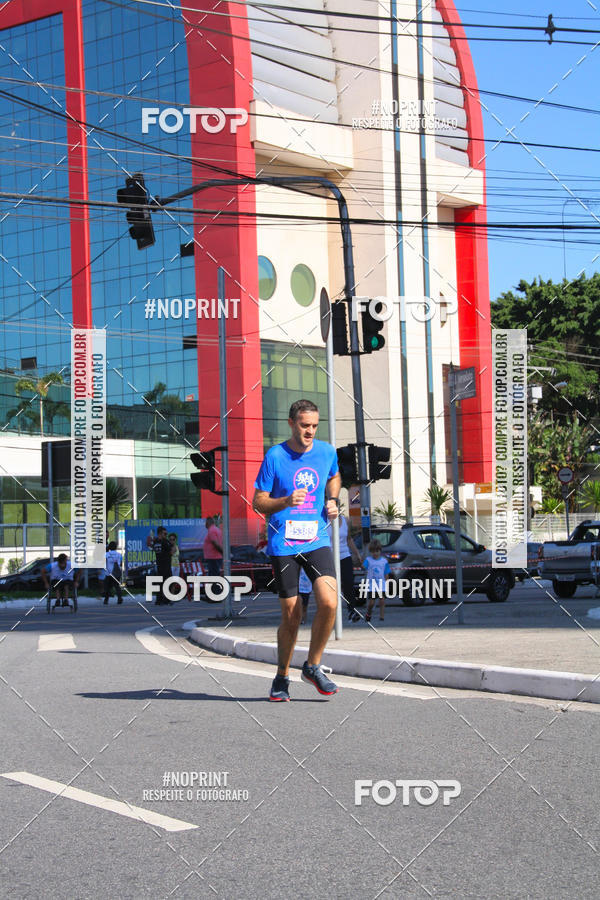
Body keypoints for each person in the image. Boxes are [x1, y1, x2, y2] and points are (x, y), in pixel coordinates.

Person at [253, 398, 341, 702]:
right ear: (291, 423)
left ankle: (312, 666)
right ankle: (281, 676)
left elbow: (334, 476)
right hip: (284, 543)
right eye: (304, 425)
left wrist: (333, 500)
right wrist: (285, 501)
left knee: (329, 602)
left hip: (316, 538)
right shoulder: (275, 456)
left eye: (314, 426)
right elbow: (258, 501)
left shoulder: (326, 452)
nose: (310, 431)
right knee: (292, 614)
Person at [338, 511, 362, 622]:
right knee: (331, 585)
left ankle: (352, 611)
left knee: (348, 582)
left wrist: (357, 553)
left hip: (344, 555)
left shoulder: (345, 520)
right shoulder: (323, 520)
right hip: (329, 556)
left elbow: (349, 539)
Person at [363, 539, 391, 622]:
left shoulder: (384, 561)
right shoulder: (368, 560)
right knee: (371, 602)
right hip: (372, 585)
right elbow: (363, 566)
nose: (375, 553)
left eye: (377, 551)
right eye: (373, 552)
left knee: (382, 600)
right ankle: (368, 613)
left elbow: (386, 573)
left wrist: (387, 583)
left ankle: (382, 616)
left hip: (381, 584)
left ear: (380, 551)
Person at [151, 525, 173, 605]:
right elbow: (171, 551)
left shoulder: (155, 541)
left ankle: (159, 600)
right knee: (168, 582)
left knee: (160, 583)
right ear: (160, 533)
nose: (166, 535)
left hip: (159, 564)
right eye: (165, 534)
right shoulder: (164, 541)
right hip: (166, 564)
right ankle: (166, 599)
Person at [103, 540, 123, 605]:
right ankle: (119, 598)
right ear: (116, 547)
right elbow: (120, 564)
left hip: (108, 573)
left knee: (107, 587)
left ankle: (106, 600)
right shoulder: (119, 555)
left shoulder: (106, 554)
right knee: (117, 586)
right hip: (117, 572)